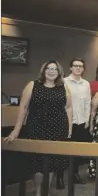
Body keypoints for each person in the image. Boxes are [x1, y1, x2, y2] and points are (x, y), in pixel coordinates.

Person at [4, 60, 72, 196]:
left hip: (58, 129)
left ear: (59, 72)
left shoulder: (64, 87)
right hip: (36, 128)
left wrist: (69, 129)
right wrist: (16, 130)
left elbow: (68, 108)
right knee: (36, 164)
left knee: (52, 162)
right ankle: (39, 191)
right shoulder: (33, 85)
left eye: (54, 69)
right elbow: (23, 108)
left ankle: (44, 191)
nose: (51, 71)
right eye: (48, 68)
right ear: (43, 70)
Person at [63, 58, 91, 185]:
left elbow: (87, 103)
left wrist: (86, 119)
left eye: (81, 66)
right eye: (76, 66)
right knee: (64, 151)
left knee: (76, 152)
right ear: (70, 68)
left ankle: (74, 175)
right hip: (67, 122)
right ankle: (59, 178)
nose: (78, 68)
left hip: (81, 122)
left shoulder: (86, 84)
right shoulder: (64, 82)